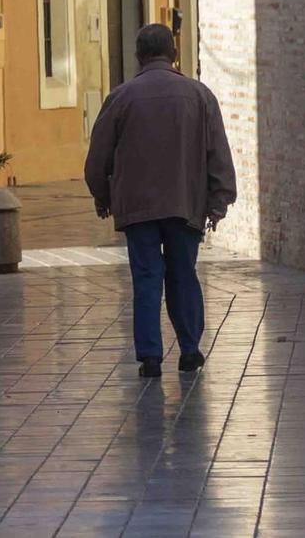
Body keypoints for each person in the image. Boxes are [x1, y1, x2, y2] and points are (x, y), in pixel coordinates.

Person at [84, 22, 238, 379]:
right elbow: (218, 153)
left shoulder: (121, 98)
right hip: (186, 202)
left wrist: (102, 196)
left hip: (137, 207)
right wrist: (219, 200)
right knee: (183, 273)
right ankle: (189, 349)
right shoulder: (200, 96)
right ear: (174, 53)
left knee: (147, 276)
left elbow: (97, 159)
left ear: (139, 56)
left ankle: (150, 357)